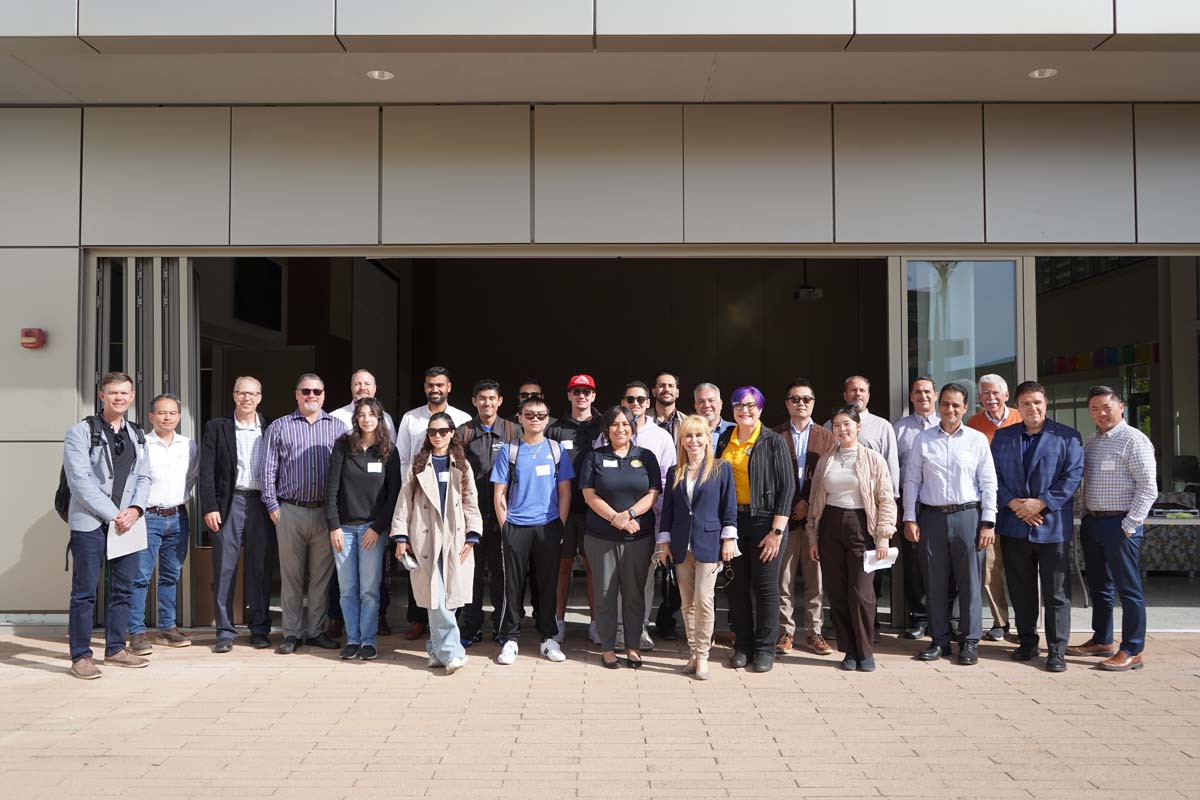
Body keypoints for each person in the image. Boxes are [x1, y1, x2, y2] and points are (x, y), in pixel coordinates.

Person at [62, 371, 153, 679]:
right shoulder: (80, 432)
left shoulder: (137, 434)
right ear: (102, 396)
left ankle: (115, 648)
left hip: (127, 522)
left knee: (123, 588)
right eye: (113, 392)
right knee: (85, 592)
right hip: (91, 522)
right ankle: (80, 656)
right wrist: (114, 514)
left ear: (132, 397)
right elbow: (79, 481)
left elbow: (144, 477)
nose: (119, 398)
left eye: (124, 393)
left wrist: (136, 510)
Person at [992, 381, 1083, 673]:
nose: (1032, 408)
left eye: (1037, 402)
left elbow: (1072, 477)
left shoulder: (1067, 437)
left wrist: (1040, 503)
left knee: (1057, 593)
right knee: (1021, 590)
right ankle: (1027, 642)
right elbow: (992, 477)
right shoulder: (1003, 437)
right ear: (1017, 407)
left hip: (1051, 525)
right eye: (1026, 403)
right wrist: (1015, 505)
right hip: (1014, 524)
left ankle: (1056, 650)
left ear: (1046, 404)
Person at [904, 383, 998, 666]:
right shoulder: (923, 440)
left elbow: (988, 482)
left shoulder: (977, 439)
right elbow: (912, 480)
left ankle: (969, 642)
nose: (950, 409)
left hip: (968, 516)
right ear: (938, 404)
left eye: (956, 405)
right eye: (945, 403)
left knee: (970, 582)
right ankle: (940, 640)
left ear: (965, 408)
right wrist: (909, 517)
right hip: (931, 517)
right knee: (934, 582)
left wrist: (988, 521)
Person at [1066, 385, 1157, 672]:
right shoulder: (1092, 442)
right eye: (1094, 408)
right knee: (1100, 586)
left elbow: (1148, 487)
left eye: (1106, 407)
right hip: (1093, 522)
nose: (1101, 413)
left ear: (1121, 407)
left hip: (1120, 524)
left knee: (1128, 590)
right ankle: (1102, 640)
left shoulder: (1134, 440)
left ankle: (1132, 649)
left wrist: (1129, 525)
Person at [261, 373, 348, 654]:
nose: (312, 395)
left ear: (324, 395)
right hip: (290, 510)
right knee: (292, 577)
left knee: (321, 578)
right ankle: (292, 633)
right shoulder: (279, 427)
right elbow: (267, 470)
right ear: (297, 395)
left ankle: (316, 631)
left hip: (324, 513)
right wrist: (273, 508)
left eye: (317, 391)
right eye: (306, 391)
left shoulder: (338, 428)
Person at [806, 406, 897, 672]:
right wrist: (812, 537)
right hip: (830, 525)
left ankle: (865, 651)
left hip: (862, 526)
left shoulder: (873, 459)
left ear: (858, 427)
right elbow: (814, 500)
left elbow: (886, 499)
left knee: (862, 593)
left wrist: (883, 537)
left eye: (847, 424)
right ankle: (849, 650)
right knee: (836, 591)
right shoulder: (826, 460)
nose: (842, 429)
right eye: (837, 425)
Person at [391, 412, 482, 674]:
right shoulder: (418, 464)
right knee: (437, 597)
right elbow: (404, 502)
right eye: (433, 432)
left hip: (455, 538)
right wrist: (400, 537)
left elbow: (471, 501)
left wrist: (473, 534)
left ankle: (434, 650)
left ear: (452, 433)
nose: (438, 436)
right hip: (425, 537)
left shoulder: (462, 464)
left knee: (450, 598)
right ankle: (453, 653)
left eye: (443, 431)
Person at [491, 396, 574, 665]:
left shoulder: (556, 450)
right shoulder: (510, 450)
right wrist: (505, 526)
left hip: (548, 526)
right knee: (512, 586)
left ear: (548, 419)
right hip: (516, 525)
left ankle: (548, 638)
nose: (535, 419)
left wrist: (560, 524)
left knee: (548, 584)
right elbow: (499, 492)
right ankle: (509, 638)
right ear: (520, 418)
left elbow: (565, 491)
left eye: (540, 415)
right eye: (529, 415)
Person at [716, 386, 794, 673]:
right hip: (733, 521)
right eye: (738, 405)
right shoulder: (725, 438)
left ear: (760, 408)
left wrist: (776, 532)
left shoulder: (773, 440)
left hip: (765, 522)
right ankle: (743, 647)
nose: (744, 410)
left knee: (765, 588)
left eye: (750, 405)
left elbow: (787, 488)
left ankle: (764, 649)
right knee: (736, 587)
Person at [580, 405, 663, 668]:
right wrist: (616, 519)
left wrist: (628, 515)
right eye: (615, 424)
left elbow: (653, 493)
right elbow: (589, 495)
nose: (620, 429)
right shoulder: (594, 457)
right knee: (605, 593)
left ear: (633, 428)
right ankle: (607, 648)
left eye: (626, 424)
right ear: (606, 429)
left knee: (634, 594)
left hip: (638, 538)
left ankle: (633, 647)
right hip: (600, 537)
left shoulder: (646, 456)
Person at [395, 366, 472, 639]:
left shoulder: (463, 419)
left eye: (440, 384)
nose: (435, 389)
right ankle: (418, 621)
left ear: (449, 386)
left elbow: (463, 466)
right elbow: (403, 458)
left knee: (451, 573)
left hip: (450, 506)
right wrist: (409, 497)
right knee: (421, 566)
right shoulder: (410, 418)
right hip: (421, 502)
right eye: (430, 384)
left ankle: (445, 633)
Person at [656, 415, 735, 680]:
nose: (694, 441)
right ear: (681, 441)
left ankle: (703, 655)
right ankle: (692, 652)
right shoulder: (675, 471)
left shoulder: (721, 468)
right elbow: (668, 512)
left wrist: (729, 539)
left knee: (704, 599)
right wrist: (663, 543)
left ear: (707, 439)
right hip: (681, 544)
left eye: (699, 435)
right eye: (688, 436)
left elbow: (729, 507)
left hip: (709, 542)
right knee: (687, 602)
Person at [200, 376, 275, 652]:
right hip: (228, 503)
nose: (247, 398)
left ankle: (259, 628)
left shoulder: (271, 427)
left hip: (262, 504)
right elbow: (206, 471)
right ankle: (224, 631)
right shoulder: (217, 427)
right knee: (224, 568)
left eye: (252, 394)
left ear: (260, 397)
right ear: (234, 396)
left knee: (260, 568)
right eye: (242, 393)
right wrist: (209, 506)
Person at [324, 398, 402, 661]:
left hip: (372, 529)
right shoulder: (343, 446)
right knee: (347, 589)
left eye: (372, 414)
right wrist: (333, 526)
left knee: (369, 589)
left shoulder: (388, 450)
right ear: (355, 418)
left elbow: (393, 495)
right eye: (362, 414)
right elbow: (331, 489)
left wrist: (378, 528)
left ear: (379, 419)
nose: (367, 419)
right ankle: (352, 640)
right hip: (344, 529)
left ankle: (368, 641)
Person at [128, 393, 199, 656]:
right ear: (151, 416)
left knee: (171, 575)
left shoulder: (188, 445)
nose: (167, 417)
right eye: (161, 413)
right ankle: (136, 631)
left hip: (178, 516)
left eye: (172, 413)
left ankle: (167, 628)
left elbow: (191, 477)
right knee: (140, 576)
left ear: (179, 417)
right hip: (147, 517)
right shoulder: (141, 444)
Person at [612, 380, 677, 650]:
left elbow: (669, 480)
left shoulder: (661, 437)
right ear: (623, 402)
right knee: (616, 579)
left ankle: (639, 628)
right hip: (614, 519)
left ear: (648, 403)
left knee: (644, 578)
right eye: (630, 399)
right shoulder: (609, 432)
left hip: (651, 519)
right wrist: (619, 515)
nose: (635, 404)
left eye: (640, 399)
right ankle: (618, 628)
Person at [774, 378, 835, 657]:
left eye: (806, 399)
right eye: (795, 399)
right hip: (785, 518)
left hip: (815, 520)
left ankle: (814, 633)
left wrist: (808, 504)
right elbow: (772, 478)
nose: (801, 403)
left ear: (813, 403)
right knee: (783, 579)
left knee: (816, 580)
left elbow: (830, 477)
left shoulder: (827, 436)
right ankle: (784, 632)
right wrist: (793, 503)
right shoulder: (774, 435)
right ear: (787, 403)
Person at [457, 379, 520, 647]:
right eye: (482, 398)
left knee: (501, 574)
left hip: (503, 515)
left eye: (492, 398)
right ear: (474, 401)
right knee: (471, 574)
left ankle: (501, 626)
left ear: (500, 401)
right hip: (471, 516)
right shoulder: (463, 432)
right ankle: (471, 626)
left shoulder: (513, 430)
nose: (487, 403)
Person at [547, 374, 604, 644]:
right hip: (564, 509)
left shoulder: (604, 426)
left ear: (594, 395)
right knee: (562, 565)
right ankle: (559, 621)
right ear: (569, 395)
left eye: (586, 391)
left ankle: (595, 623)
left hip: (596, 509)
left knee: (594, 567)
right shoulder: (555, 429)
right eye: (577, 391)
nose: (582, 396)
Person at [967, 373, 1020, 642]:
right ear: (979, 397)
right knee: (989, 569)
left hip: (1019, 507)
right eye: (985, 393)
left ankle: (1027, 624)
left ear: (1006, 395)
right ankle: (1001, 622)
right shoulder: (974, 424)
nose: (991, 398)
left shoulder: (1020, 418)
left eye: (995, 393)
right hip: (989, 506)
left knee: (1022, 569)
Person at [893, 377, 940, 640]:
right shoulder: (899, 428)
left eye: (927, 391)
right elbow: (891, 467)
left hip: (939, 501)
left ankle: (945, 617)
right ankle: (919, 617)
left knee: (943, 559)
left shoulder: (947, 424)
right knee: (913, 562)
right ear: (911, 397)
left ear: (935, 395)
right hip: (908, 501)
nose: (923, 396)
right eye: (918, 392)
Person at [330, 369, 396, 435]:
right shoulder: (335, 418)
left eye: (367, 384)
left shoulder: (386, 418)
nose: (362, 388)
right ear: (351, 388)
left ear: (375, 388)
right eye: (357, 384)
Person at [694, 382, 734, 448]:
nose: (706, 405)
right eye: (701, 401)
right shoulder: (688, 432)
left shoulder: (735, 430)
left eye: (711, 400)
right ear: (695, 406)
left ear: (720, 404)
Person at [652, 370, 687, 440]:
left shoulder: (687, 422)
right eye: (661, 386)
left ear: (677, 393)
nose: (667, 389)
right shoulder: (643, 420)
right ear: (654, 392)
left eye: (671, 386)